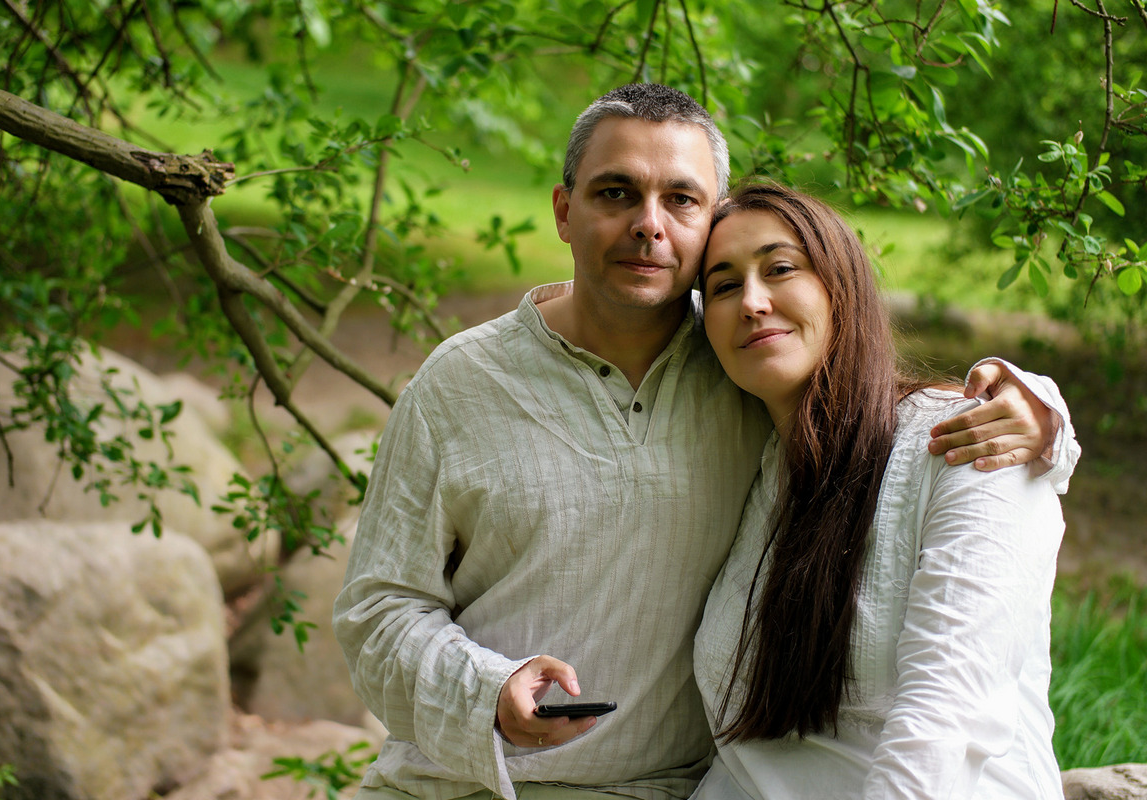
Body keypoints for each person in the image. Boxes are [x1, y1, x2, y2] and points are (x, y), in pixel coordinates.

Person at [333, 84, 1073, 800]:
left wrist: (1040, 412)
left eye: (681, 200)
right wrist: (484, 690)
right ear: (564, 210)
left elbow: (900, 432)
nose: (649, 225)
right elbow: (379, 606)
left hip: (652, 791)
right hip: (453, 784)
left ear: (708, 222)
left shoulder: (745, 370)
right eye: (616, 192)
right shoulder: (460, 383)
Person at [692, 181, 1071, 799]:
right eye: (725, 286)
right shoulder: (744, 464)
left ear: (841, 285)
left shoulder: (968, 446)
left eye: (780, 268)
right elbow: (625, 304)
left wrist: (1046, 413)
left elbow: (944, 719)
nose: (753, 303)